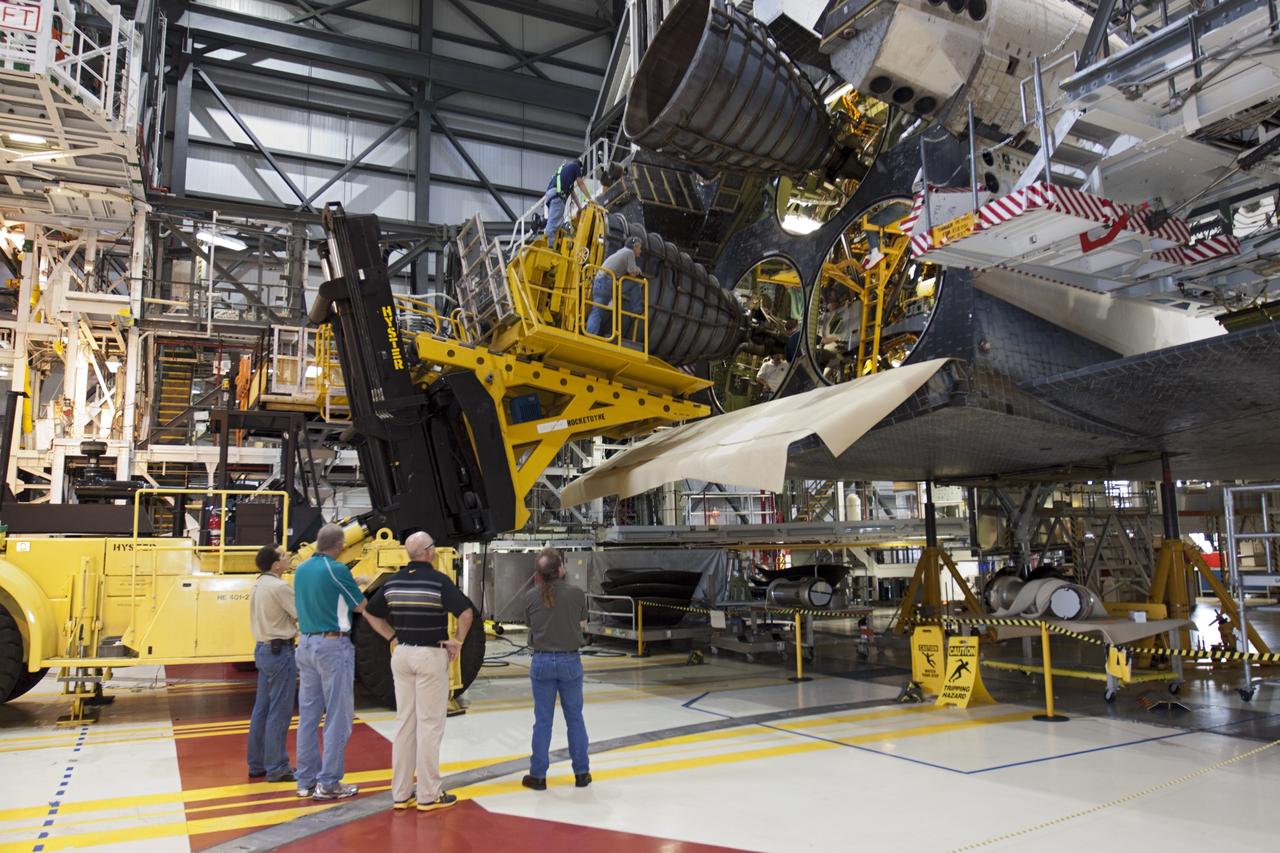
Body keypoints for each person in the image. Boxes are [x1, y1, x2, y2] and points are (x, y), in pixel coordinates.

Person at [363, 532, 474, 813]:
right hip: (429, 656)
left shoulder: (393, 582)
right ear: (428, 552)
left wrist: (391, 637)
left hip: (401, 656)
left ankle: (400, 794)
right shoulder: (438, 581)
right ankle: (428, 794)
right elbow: (465, 612)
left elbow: (371, 613)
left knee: (405, 724)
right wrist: (458, 641)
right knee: (430, 725)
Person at [293, 523, 393, 801]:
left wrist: (355, 581)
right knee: (338, 717)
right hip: (332, 647)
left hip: (306, 645)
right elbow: (361, 607)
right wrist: (391, 635)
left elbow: (328, 590)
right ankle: (329, 783)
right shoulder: (336, 569)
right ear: (339, 546)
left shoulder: (301, 570)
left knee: (309, 717)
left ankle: (305, 781)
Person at [521, 547, 591, 791]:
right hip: (570, 662)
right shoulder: (576, 594)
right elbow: (582, 624)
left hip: (541, 663)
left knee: (542, 721)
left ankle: (538, 776)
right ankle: (582, 773)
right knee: (575, 718)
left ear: (539, 573)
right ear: (560, 569)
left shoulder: (530, 596)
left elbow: (531, 624)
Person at [247, 544, 298, 783]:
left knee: (262, 710)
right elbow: (300, 613)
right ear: (276, 564)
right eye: (284, 555)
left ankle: (257, 763)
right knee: (279, 711)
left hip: (263, 650)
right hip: (280, 652)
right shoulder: (279, 587)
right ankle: (277, 767)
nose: (288, 557)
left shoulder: (258, 584)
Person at [585, 237, 645, 342]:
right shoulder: (629, 253)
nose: (640, 251)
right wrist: (638, 270)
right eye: (640, 248)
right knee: (635, 284)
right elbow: (632, 273)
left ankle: (590, 335)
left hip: (599, 281)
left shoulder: (621, 251)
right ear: (635, 246)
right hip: (607, 282)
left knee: (597, 311)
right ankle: (636, 311)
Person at [541, 158, 591, 243]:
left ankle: (556, 244)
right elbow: (580, 183)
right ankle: (549, 247)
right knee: (552, 226)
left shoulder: (565, 170)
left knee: (558, 224)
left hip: (551, 196)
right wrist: (590, 198)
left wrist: (580, 208)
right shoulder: (576, 167)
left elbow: (573, 195)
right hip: (557, 197)